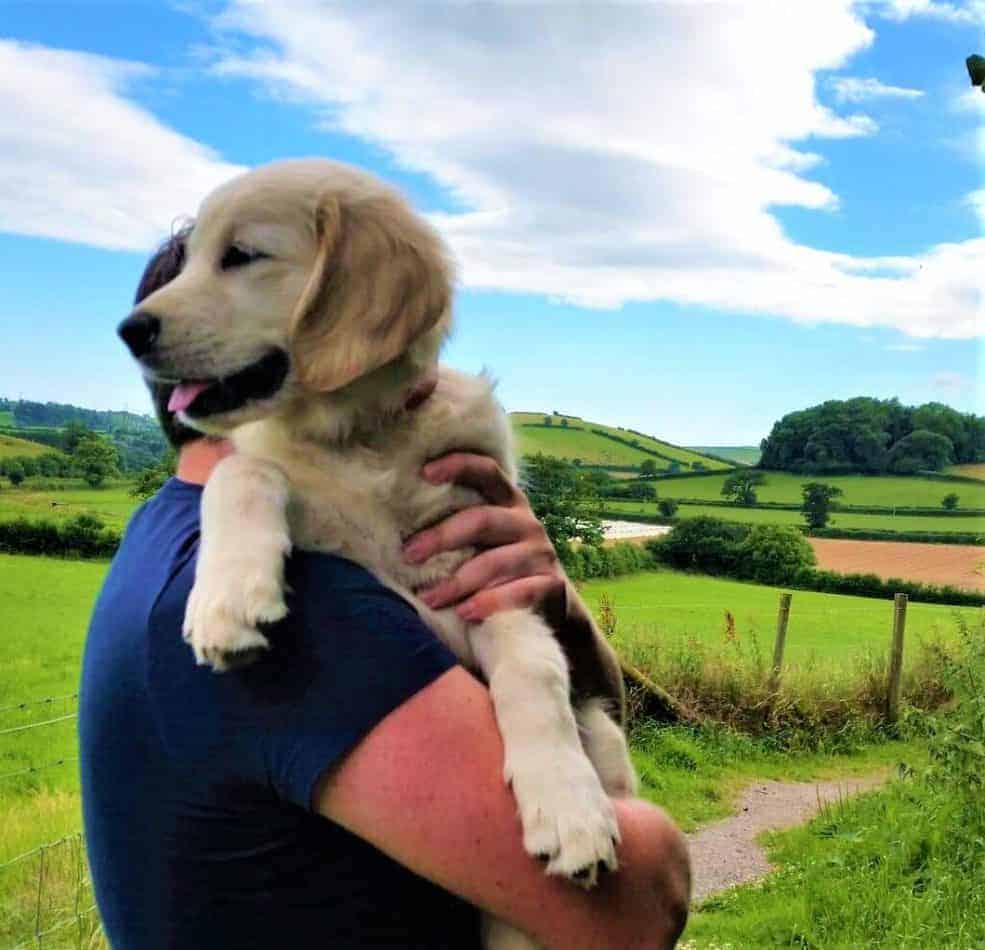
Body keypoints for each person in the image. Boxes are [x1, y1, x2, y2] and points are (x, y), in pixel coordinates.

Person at [79, 233, 690, 949]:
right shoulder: (296, 602)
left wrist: (548, 602)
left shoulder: (168, 532)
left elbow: (593, 709)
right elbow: (640, 902)